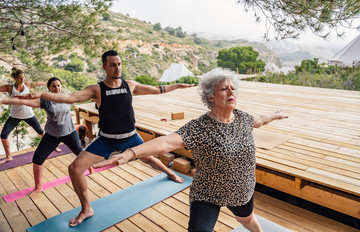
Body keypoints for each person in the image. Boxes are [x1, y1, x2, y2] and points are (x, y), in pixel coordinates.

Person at [94, 69, 288, 232]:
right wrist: (130, 153)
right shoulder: (199, 128)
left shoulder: (243, 119)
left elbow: (260, 119)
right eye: (224, 89)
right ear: (210, 96)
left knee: (247, 220)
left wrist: (275, 115)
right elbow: (166, 143)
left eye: (233, 88)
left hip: (241, 190)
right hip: (207, 193)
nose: (231, 92)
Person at [17, 50, 194, 227]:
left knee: (148, 158)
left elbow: (156, 90)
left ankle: (170, 172)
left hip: (131, 137)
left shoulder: (129, 85)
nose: (117, 68)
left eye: (119, 64)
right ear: (104, 67)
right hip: (106, 140)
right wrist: (42, 94)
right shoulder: (96, 89)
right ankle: (86, 209)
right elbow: (70, 98)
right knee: (74, 168)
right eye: (112, 65)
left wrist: (177, 86)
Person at [0, 77, 86, 195]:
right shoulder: (45, 100)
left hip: (69, 133)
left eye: (58, 86)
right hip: (51, 135)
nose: (57, 88)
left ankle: (91, 169)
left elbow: (84, 95)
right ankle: (38, 187)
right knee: (37, 160)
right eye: (54, 86)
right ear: (49, 89)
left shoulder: (67, 97)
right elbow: (22, 102)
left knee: (81, 155)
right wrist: (3, 101)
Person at [0, 67, 46, 164]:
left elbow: (40, 82)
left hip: (28, 115)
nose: (22, 79)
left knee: (41, 131)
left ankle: (53, 147)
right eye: (20, 78)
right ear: (15, 78)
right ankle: (8, 156)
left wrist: (49, 82)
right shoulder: (9, 88)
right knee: (3, 135)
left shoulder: (27, 85)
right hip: (14, 116)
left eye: (23, 77)